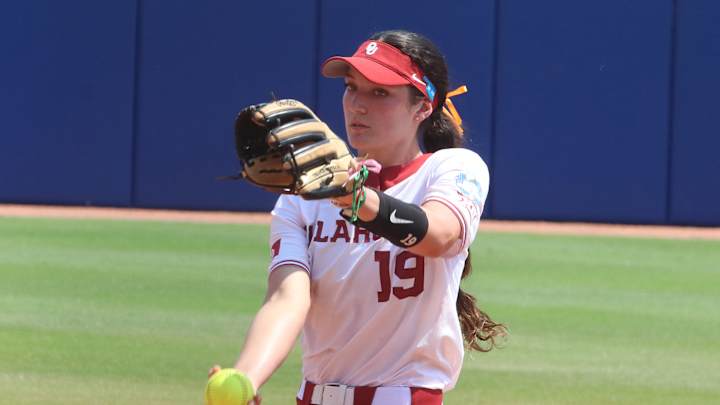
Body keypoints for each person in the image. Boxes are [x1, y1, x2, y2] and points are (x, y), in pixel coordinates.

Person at [210, 29, 506, 405]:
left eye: (380, 92)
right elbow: (287, 299)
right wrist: (245, 379)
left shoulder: (453, 168)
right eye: (352, 87)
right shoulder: (305, 195)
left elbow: (439, 235)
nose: (357, 104)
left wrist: (355, 198)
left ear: (423, 107)